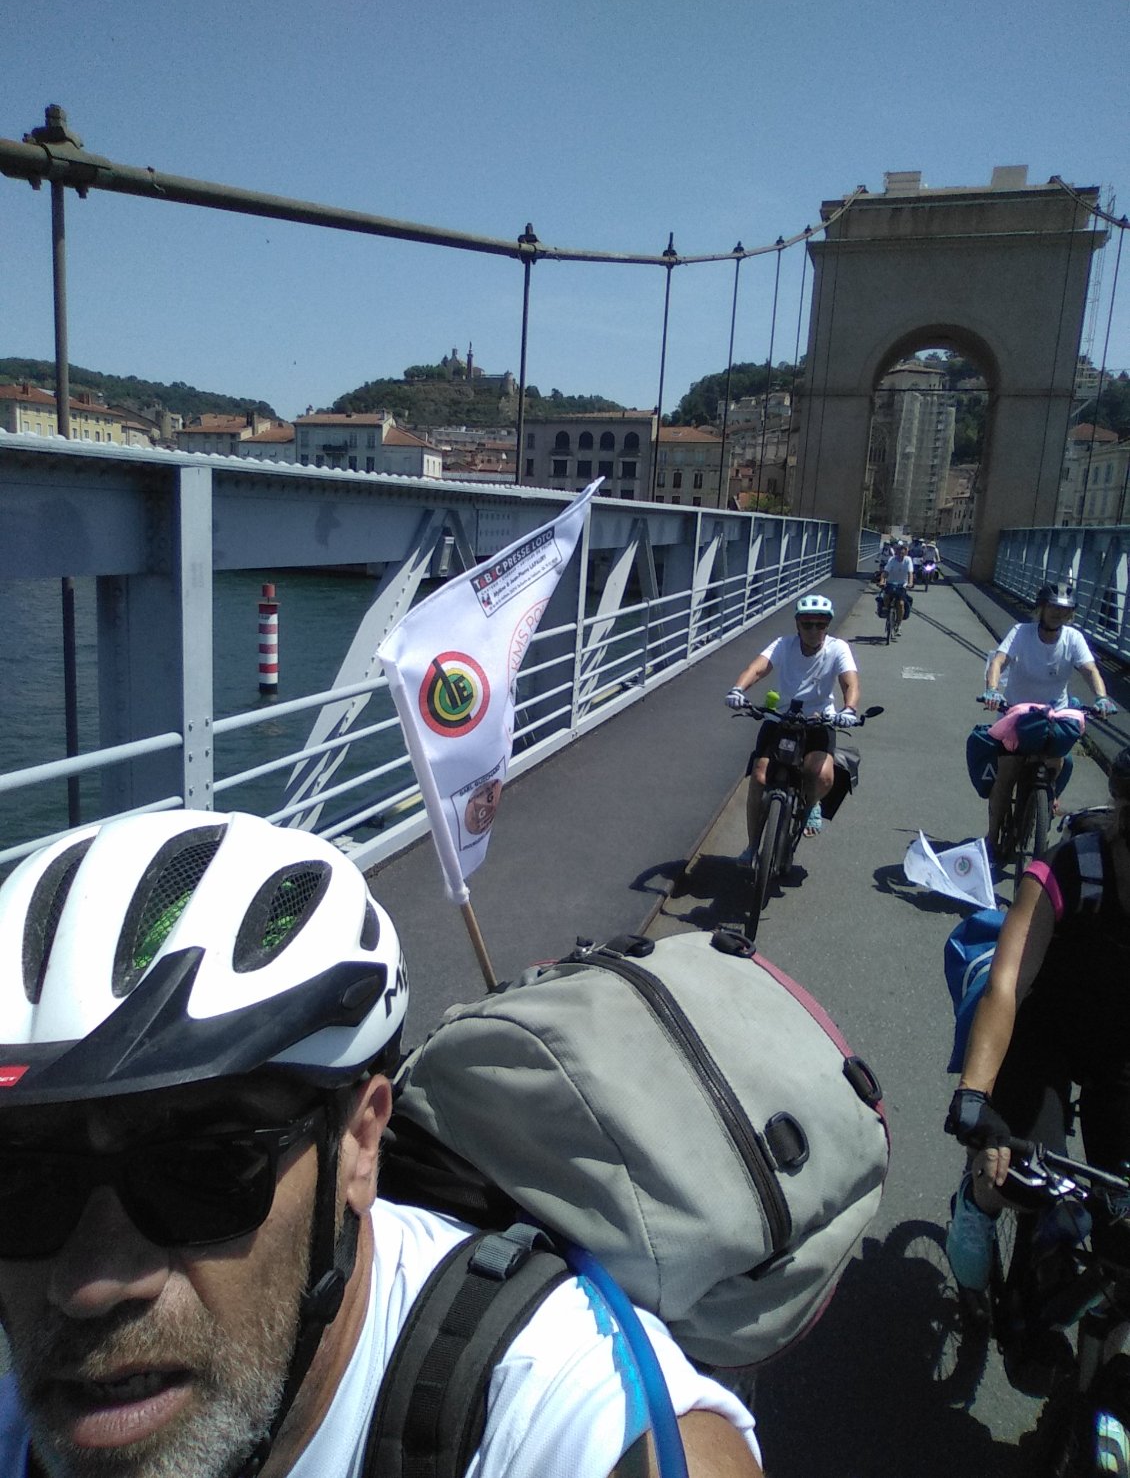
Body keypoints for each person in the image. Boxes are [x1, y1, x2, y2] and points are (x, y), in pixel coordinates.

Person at [0, 809, 763, 1478]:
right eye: (21, 1182)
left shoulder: (541, 1400)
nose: (90, 1283)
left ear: (361, 1144)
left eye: (203, 1171)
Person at [944, 749, 1130, 1374]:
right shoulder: (1071, 867)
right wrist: (975, 1095)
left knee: (1120, 1236)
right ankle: (974, 1207)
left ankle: (1091, 1385)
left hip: (1119, 1059)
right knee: (1020, 1180)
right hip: (1041, 1035)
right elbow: (1008, 985)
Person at [980, 581, 1116, 849]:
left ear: (1070, 614)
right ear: (1040, 608)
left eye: (1063, 610)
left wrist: (1101, 697)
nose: (1057, 613)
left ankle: (1048, 797)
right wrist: (993, 691)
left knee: (1062, 760)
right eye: (1052, 607)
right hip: (1017, 715)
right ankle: (992, 836)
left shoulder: (1073, 638)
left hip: (1055, 715)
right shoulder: (1021, 632)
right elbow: (999, 660)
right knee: (1006, 776)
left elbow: (1089, 670)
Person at [726, 594, 860, 846]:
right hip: (780, 719)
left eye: (820, 624)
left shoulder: (837, 648)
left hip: (819, 720)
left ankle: (812, 805)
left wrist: (849, 709)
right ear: (797, 624)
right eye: (807, 624)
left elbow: (849, 681)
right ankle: (753, 845)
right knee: (759, 776)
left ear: (827, 626)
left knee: (821, 776)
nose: (814, 630)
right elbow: (757, 668)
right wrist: (737, 690)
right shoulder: (782, 645)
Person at [878, 542, 914, 637]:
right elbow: (886, 572)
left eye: (903, 553)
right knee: (886, 597)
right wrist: (882, 581)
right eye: (899, 553)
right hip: (890, 583)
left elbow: (910, 573)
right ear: (896, 553)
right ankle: (887, 610)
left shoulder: (908, 560)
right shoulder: (892, 560)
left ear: (905, 553)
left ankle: (898, 625)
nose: (900, 555)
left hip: (902, 585)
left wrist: (910, 583)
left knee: (901, 604)